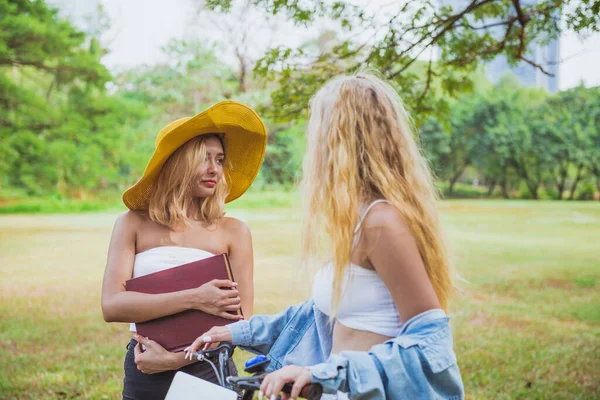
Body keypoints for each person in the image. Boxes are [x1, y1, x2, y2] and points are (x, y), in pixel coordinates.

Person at [186, 74, 465, 399]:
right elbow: (316, 314)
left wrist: (320, 374)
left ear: (338, 139)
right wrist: (235, 332)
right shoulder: (357, 219)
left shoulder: (381, 222)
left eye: (318, 128)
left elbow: (428, 341)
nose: (311, 143)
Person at [101, 100, 267, 400]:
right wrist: (197, 298)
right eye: (203, 158)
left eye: (219, 159)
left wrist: (176, 360)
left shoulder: (234, 231)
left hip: (210, 371)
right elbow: (112, 306)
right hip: (144, 366)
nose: (214, 169)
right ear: (178, 161)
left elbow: (241, 324)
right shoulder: (132, 223)